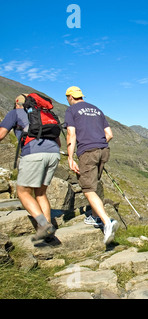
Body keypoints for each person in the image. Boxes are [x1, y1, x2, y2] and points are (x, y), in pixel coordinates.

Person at [0, 94, 61, 241]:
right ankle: (48, 233)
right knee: (40, 193)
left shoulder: (15, 113)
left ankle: (43, 224)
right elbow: (58, 142)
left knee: (23, 192)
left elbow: (1, 134)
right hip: (54, 153)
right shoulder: (44, 114)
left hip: (34, 153)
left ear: (17, 103)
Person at [64, 86, 118, 245]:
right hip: (104, 150)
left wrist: (70, 157)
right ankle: (95, 217)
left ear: (70, 97)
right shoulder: (97, 110)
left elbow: (71, 134)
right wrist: (98, 144)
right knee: (94, 184)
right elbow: (110, 134)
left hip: (88, 152)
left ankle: (108, 223)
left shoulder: (71, 110)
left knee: (88, 189)